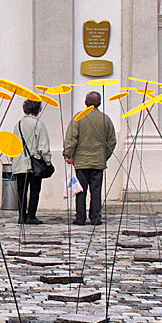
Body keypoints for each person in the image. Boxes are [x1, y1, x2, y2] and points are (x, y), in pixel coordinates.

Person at [63, 91, 117, 226]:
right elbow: (112, 141)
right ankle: (95, 217)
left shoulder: (79, 118)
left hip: (81, 161)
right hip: (98, 161)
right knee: (96, 190)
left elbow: (71, 138)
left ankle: (80, 218)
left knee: (80, 191)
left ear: (86, 103)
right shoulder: (106, 119)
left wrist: (68, 154)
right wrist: (104, 156)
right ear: (99, 103)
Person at [12, 99, 51, 224]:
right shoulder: (39, 125)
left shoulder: (18, 124)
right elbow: (43, 146)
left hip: (20, 162)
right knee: (35, 190)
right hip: (35, 163)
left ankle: (21, 216)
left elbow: (14, 144)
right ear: (37, 109)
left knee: (21, 190)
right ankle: (31, 215)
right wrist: (47, 161)